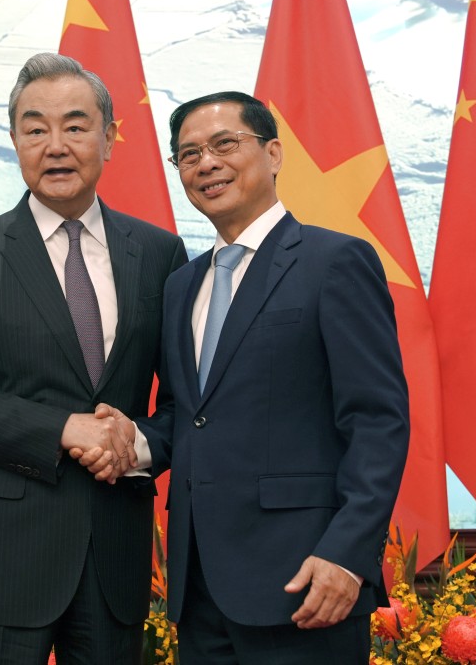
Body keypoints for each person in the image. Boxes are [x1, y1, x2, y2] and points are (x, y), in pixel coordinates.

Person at [88, 91, 410, 664]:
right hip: (200, 589)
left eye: (224, 144)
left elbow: (377, 421)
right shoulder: (181, 284)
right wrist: (130, 441)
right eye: (187, 155)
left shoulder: (335, 262)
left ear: (274, 153)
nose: (206, 163)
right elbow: (189, 416)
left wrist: (347, 554)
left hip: (307, 580)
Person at [0, 52, 187, 665]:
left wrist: (132, 444)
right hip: (6, 557)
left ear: (110, 138)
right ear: (14, 141)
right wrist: (67, 429)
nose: (55, 145)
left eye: (76, 125)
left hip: (115, 554)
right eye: (35, 129)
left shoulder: (159, 253)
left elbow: (183, 405)